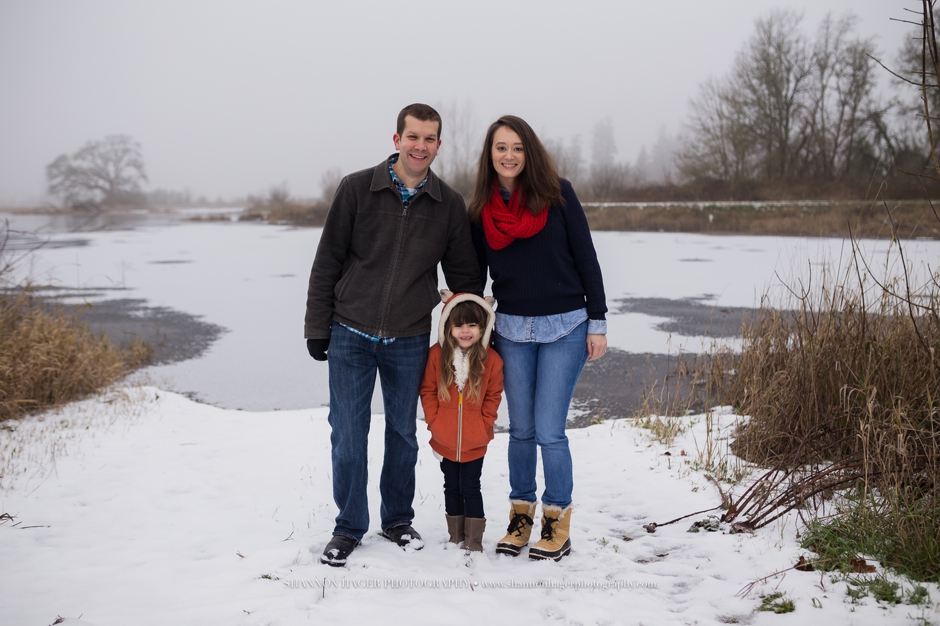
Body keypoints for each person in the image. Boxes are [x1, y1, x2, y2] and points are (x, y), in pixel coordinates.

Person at [305, 103, 482, 567]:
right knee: (348, 433)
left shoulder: (448, 204)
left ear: (439, 145)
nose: (420, 146)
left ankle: (398, 520)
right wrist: (317, 327)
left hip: (408, 337)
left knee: (403, 433)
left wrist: (466, 330)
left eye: (429, 139)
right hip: (349, 331)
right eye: (413, 137)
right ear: (397, 139)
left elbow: (466, 277)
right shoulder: (356, 189)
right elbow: (327, 261)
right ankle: (348, 526)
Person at [468, 115, 608, 561]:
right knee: (521, 431)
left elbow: (586, 258)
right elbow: (474, 272)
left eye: (517, 147)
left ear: (529, 152)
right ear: (490, 155)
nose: (509, 156)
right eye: (500, 148)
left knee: (549, 431)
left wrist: (598, 321)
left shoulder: (558, 194)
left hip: (565, 327)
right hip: (511, 330)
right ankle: (520, 518)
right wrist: (464, 307)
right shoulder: (482, 210)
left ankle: (556, 522)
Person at [419, 290, 503, 552]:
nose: (465, 331)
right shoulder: (437, 355)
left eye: (472, 325)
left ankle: (474, 541)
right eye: (459, 325)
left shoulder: (491, 360)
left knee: (471, 486)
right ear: (447, 327)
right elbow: (428, 390)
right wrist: (434, 422)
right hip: (444, 438)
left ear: (483, 328)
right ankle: (456, 536)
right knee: (451, 486)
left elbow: (493, 396)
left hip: (475, 441)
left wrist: (484, 424)